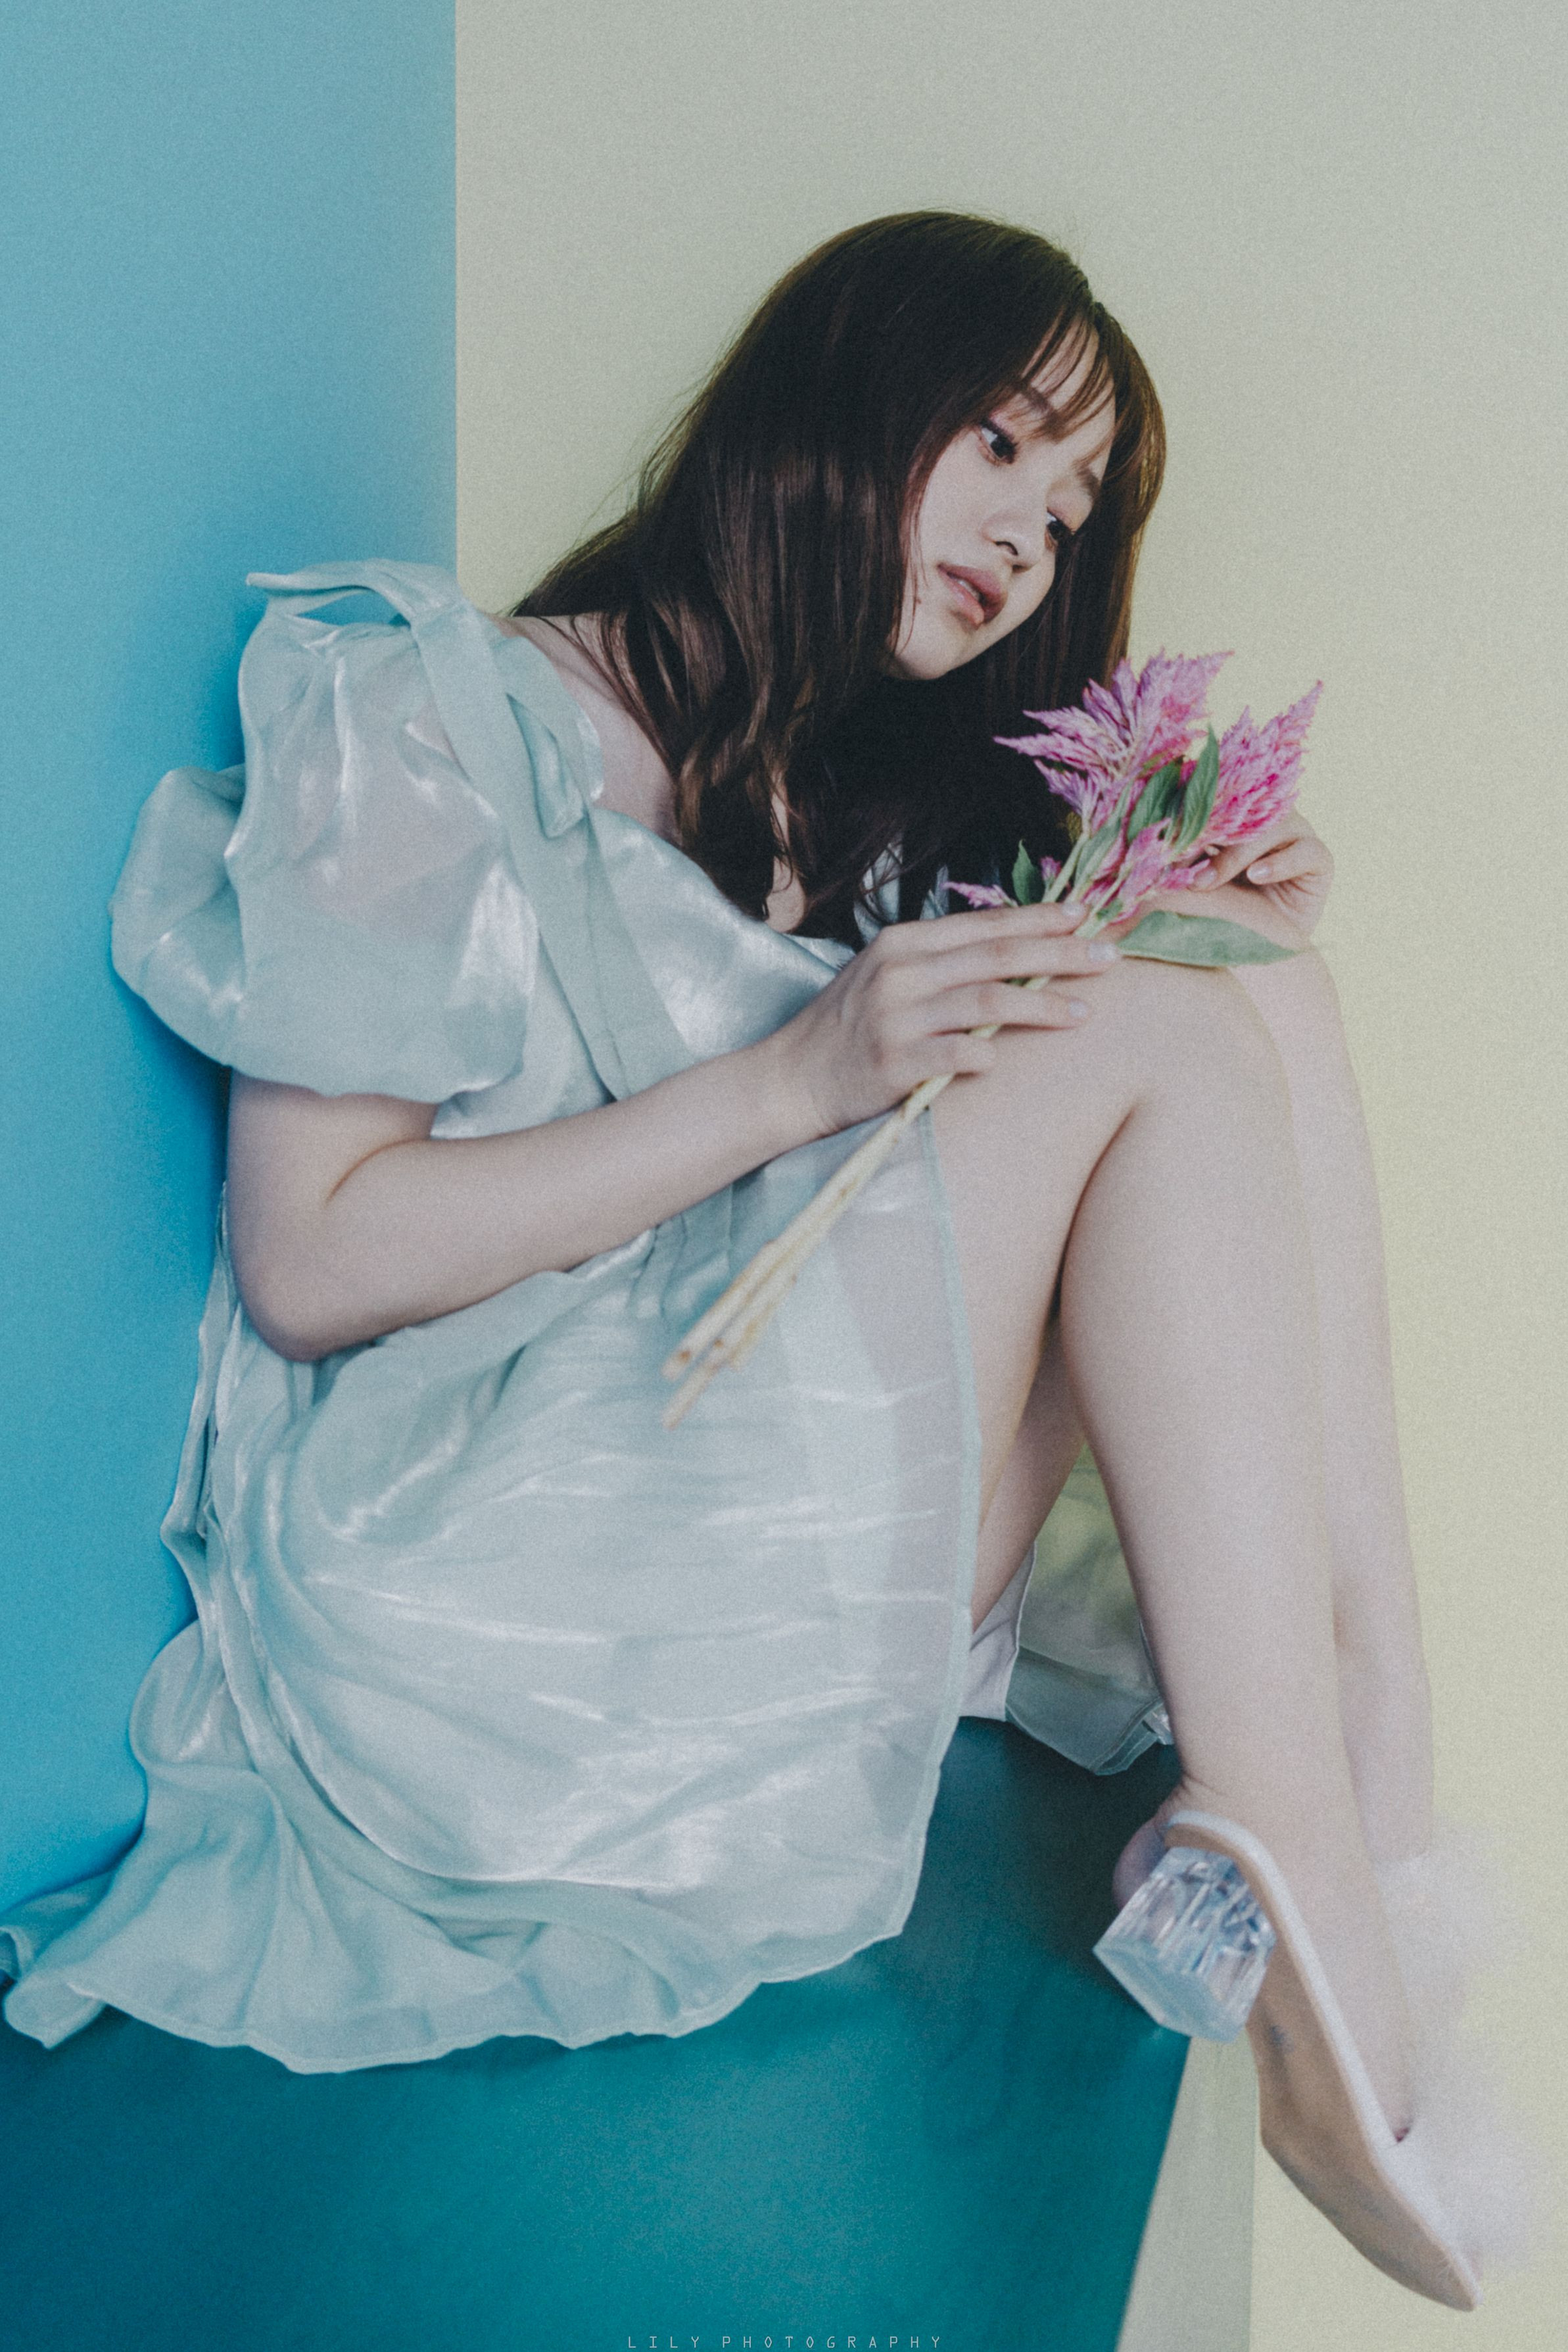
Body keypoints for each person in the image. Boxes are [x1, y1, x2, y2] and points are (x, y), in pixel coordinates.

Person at [0, 211, 1486, 2307]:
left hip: (742, 1556)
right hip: (478, 1592)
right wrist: (794, 1077)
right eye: (999, 443)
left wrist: (1188, 918)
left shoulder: (846, 803)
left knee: (1244, 972)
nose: (1029, 544)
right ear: (839, 389)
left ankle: (1352, 1773)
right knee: (1155, 1022)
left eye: (1071, 514)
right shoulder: (432, 704)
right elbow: (310, 1257)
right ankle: (1297, 1829)